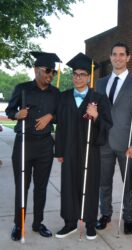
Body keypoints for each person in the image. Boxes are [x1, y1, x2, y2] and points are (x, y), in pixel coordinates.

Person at [54, 53, 112, 240]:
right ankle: (70, 222)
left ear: (89, 77)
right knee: (69, 184)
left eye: (82, 74)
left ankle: (89, 223)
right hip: (69, 150)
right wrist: (59, 151)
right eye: (75, 74)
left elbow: (108, 124)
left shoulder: (99, 99)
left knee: (90, 184)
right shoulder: (63, 97)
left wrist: (95, 116)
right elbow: (60, 126)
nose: (78, 77)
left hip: (90, 149)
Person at [5, 52, 61, 241]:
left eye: (52, 72)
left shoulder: (56, 93)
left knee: (41, 187)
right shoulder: (22, 89)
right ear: (36, 70)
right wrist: (17, 114)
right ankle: (18, 224)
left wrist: (51, 117)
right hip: (24, 144)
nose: (50, 75)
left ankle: (38, 223)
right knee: (22, 187)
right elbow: (9, 110)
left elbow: (61, 114)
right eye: (47, 71)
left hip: (45, 145)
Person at [95, 42, 132, 234]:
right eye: (114, 54)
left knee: (128, 183)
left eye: (121, 54)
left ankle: (128, 217)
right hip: (103, 143)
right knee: (103, 182)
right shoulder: (100, 83)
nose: (117, 58)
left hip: (128, 144)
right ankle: (105, 213)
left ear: (128, 57)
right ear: (110, 57)